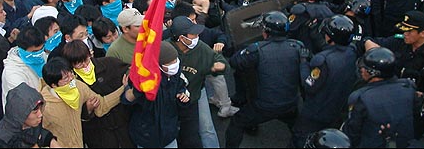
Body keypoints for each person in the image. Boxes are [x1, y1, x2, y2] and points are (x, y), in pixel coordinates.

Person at [226, 11, 304, 148]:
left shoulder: (257, 50)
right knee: (299, 131)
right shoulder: (298, 46)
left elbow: (234, 62)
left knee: (236, 123)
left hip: (263, 106)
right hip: (290, 102)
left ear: (265, 31)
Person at [291, 15, 358, 147]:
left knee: (300, 139)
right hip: (336, 109)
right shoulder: (352, 51)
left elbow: (309, 85)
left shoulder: (322, 60)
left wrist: (304, 62)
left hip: (315, 111)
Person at [342, 47, 421, 147]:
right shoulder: (408, 87)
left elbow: (352, 134)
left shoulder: (361, 97)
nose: (362, 70)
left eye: (365, 68)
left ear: (374, 73)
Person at [168, 16, 228, 148]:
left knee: (197, 134)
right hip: (169, 102)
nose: (196, 36)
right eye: (193, 34)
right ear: (181, 38)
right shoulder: (166, 49)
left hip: (193, 99)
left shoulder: (201, 48)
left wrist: (220, 66)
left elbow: (218, 61)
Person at [40, 57, 125, 147]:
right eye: (66, 78)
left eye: (71, 73)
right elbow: (38, 134)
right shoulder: (44, 106)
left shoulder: (78, 87)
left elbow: (101, 105)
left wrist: (124, 89)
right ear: (53, 85)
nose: (71, 78)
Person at [62, 40, 132, 148]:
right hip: (99, 135)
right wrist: (87, 110)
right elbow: (73, 113)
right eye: (79, 63)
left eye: (86, 60)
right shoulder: (72, 84)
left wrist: (128, 84)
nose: (85, 65)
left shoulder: (109, 63)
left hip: (124, 125)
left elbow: (128, 70)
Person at [122, 41, 189, 148]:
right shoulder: (144, 80)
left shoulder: (177, 76)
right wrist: (132, 90)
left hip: (169, 135)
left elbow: (182, 92)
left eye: (175, 60)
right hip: (146, 137)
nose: (174, 65)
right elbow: (127, 100)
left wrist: (182, 97)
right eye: (169, 63)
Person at [0, 83, 59, 148]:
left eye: (40, 108)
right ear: (20, 114)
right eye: (35, 112)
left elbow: (39, 133)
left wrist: (51, 141)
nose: (40, 114)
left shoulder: (32, 122)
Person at [1, 26, 47, 110]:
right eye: (35, 52)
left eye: (41, 49)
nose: (39, 54)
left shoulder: (42, 57)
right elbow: (25, 99)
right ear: (22, 49)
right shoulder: (11, 72)